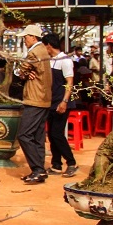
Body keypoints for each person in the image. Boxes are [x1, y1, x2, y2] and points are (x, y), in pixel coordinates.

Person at [14, 24, 52, 184]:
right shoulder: (43, 51)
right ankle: (39, 171)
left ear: (33, 37)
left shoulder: (34, 52)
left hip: (34, 98)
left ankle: (38, 169)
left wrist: (24, 72)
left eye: (26, 37)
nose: (24, 40)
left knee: (24, 134)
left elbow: (19, 72)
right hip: (44, 98)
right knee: (37, 136)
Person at [42, 32, 78, 177]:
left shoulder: (65, 60)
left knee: (57, 134)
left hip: (62, 102)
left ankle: (71, 163)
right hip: (51, 102)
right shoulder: (49, 60)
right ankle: (56, 164)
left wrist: (64, 101)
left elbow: (69, 82)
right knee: (51, 134)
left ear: (49, 45)